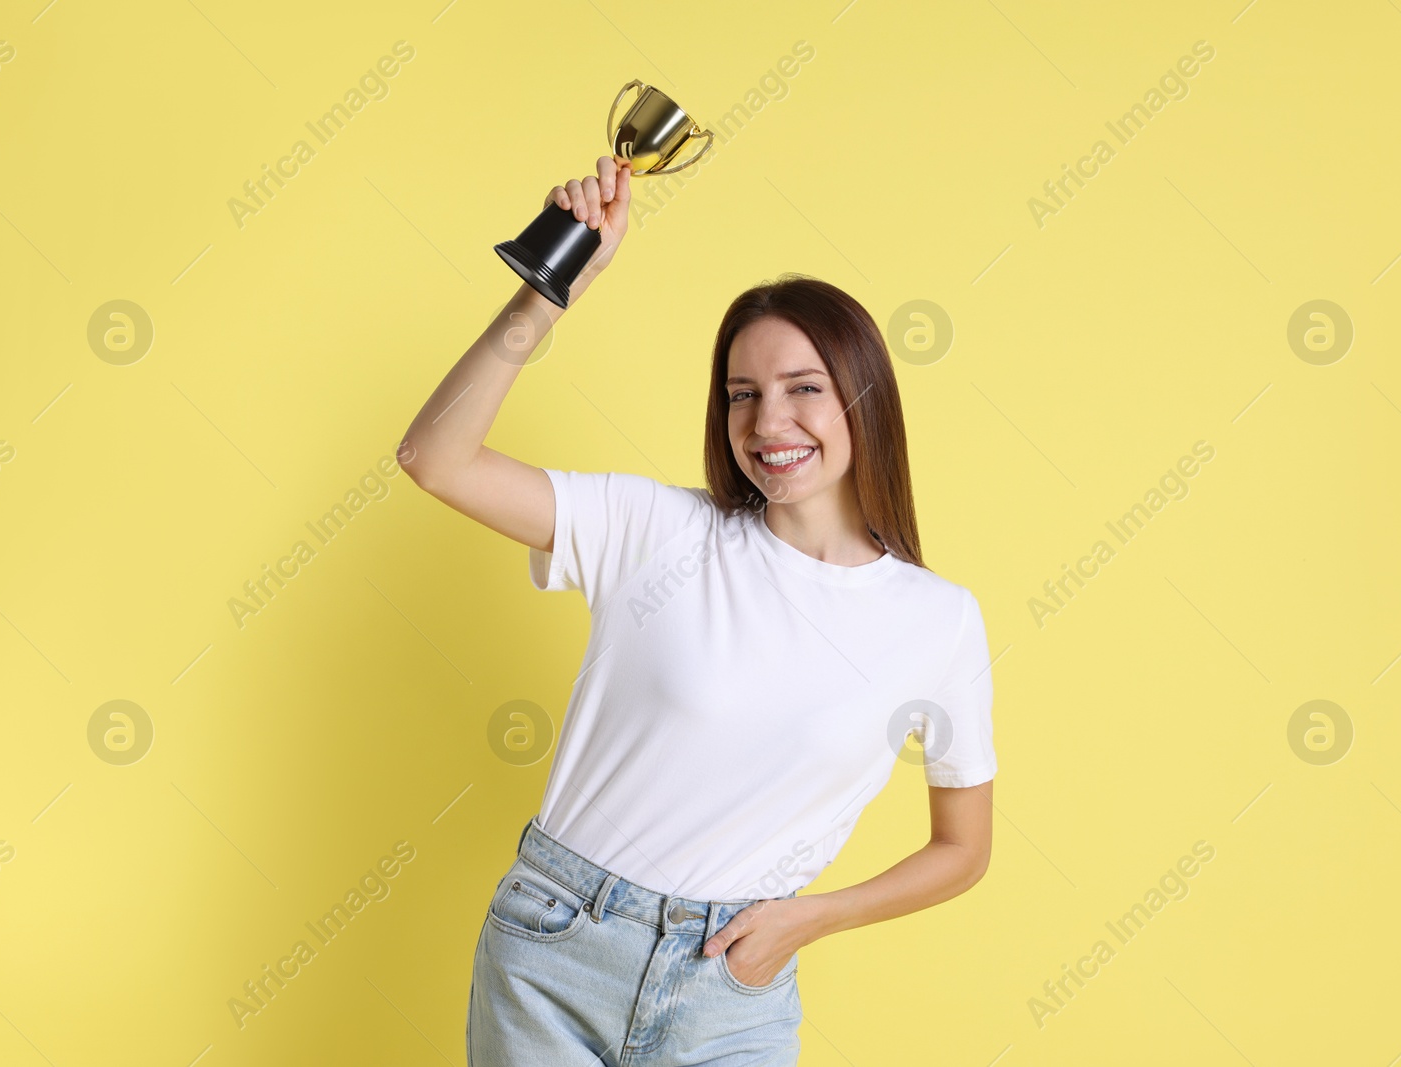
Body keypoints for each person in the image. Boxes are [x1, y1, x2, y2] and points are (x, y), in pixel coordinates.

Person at [399, 156, 996, 1066]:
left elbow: (962, 847)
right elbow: (435, 458)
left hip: (733, 986)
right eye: (742, 395)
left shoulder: (939, 622)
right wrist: (552, 285)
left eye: (803, 388)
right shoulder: (657, 531)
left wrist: (813, 918)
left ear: (863, 394)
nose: (768, 423)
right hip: (556, 949)